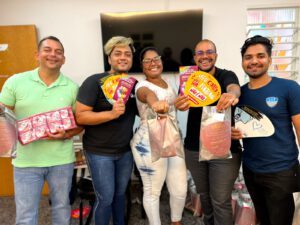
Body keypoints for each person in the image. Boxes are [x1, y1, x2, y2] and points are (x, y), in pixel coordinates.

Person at [0, 36, 82, 225]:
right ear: (37, 55)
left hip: (62, 161)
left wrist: (67, 134)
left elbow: (81, 121)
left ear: (64, 59)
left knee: (62, 209)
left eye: (58, 52)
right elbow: (2, 116)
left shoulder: (72, 87)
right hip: (25, 162)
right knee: (25, 215)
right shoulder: (16, 82)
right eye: (47, 50)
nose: (53, 54)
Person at [232, 35, 300, 225]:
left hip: (281, 171)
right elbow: (241, 128)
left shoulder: (289, 88)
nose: (254, 61)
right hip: (251, 169)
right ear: (243, 62)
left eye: (260, 56)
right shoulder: (240, 94)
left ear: (270, 60)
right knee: (262, 219)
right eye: (248, 57)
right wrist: (234, 133)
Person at [175, 39, 242, 225]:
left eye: (209, 52)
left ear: (216, 55)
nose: (205, 56)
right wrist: (179, 104)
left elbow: (233, 88)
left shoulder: (226, 75)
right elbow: (180, 101)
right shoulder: (188, 80)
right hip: (194, 148)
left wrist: (232, 95)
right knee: (204, 197)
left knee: (220, 200)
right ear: (195, 58)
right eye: (200, 53)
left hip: (223, 150)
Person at [75, 36, 137, 225]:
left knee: (120, 195)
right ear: (109, 58)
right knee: (106, 198)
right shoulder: (94, 82)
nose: (123, 57)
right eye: (117, 53)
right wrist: (111, 114)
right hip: (99, 152)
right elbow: (81, 116)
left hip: (125, 151)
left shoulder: (132, 85)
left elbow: (143, 110)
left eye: (127, 54)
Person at [130, 47, 187, 225]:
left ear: (162, 61)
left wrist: (180, 104)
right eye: (148, 61)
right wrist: (155, 104)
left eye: (156, 58)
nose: (153, 63)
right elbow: (148, 96)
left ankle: (176, 222)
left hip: (172, 139)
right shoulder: (142, 86)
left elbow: (171, 105)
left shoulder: (169, 83)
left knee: (179, 189)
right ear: (142, 66)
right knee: (153, 190)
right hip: (147, 143)